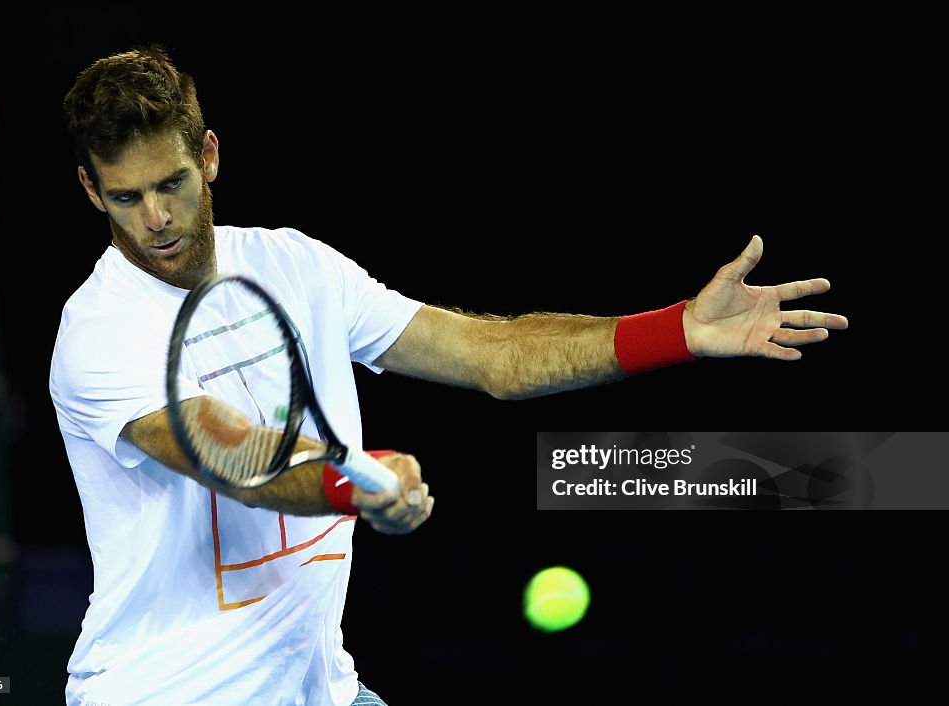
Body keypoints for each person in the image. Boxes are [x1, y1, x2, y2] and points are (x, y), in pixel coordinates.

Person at [50, 45, 848, 706]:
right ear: (92, 190)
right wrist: (354, 480)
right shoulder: (99, 331)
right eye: (126, 196)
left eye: (171, 184)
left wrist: (676, 330)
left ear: (210, 156)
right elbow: (226, 453)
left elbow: (489, 356)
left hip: (316, 688)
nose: (155, 217)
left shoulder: (298, 266)